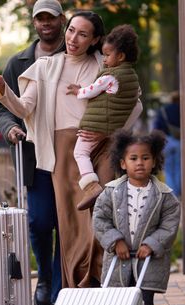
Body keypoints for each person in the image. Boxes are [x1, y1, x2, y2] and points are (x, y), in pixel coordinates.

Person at [0, 11, 143, 289]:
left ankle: (104, 282)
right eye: (71, 30)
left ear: (94, 39)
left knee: (103, 215)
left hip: (103, 147)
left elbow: (135, 105)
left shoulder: (104, 65)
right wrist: (2, 90)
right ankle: (76, 288)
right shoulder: (46, 66)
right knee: (71, 225)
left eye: (82, 34)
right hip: (64, 153)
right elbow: (23, 108)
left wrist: (109, 131)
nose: (73, 38)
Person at [0, 0, 66, 305]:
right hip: (33, 155)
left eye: (51, 17)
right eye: (41, 18)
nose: (46, 23)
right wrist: (10, 129)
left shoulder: (77, 54)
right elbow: (3, 108)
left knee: (69, 222)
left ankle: (62, 284)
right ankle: (46, 278)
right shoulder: (18, 62)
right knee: (39, 220)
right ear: (34, 22)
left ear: (61, 19)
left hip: (72, 156)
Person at [92, 128, 181, 305]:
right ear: (122, 163)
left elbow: (169, 225)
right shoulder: (111, 192)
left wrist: (152, 244)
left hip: (147, 263)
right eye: (133, 158)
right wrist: (115, 240)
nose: (139, 163)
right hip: (118, 260)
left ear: (154, 161)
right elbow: (100, 219)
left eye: (145, 158)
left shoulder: (165, 196)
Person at [66, 24, 142, 211]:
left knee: (80, 153)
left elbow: (89, 92)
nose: (105, 60)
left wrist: (78, 90)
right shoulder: (132, 76)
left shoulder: (110, 76)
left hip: (96, 125)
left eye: (107, 55)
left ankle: (92, 187)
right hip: (112, 127)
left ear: (121, 56)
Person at [151, 92, 181, 197]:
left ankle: (172, 194)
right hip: (180, 142)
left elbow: (155, 128)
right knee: (178, 168)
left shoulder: (163, 110)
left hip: (166, 142)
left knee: (168, 169)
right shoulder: (184, 109)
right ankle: (179, 193)